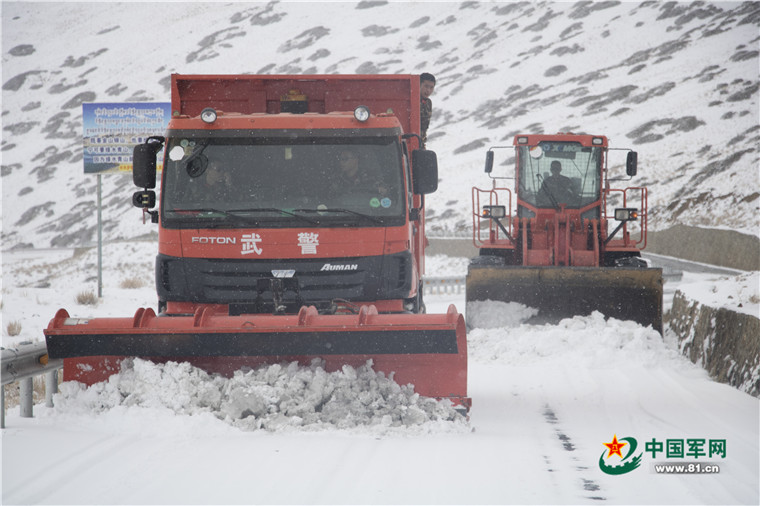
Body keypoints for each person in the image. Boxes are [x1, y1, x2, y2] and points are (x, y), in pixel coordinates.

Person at [420, 73, 436, 149]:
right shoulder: (412, 101)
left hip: (420, 143)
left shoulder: (428, 103)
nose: (428, 90)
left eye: (431, 87)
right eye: (426, 86)